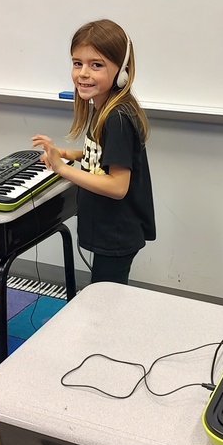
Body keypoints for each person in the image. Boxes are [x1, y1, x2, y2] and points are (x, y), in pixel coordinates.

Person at [31, 18, 155, 284]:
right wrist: (69, 153)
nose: (83, 73)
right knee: (104, 297)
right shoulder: (103, 107)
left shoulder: (117, 118)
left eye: (96, 65)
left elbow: (118, 186)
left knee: (105, 302)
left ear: (122, 71)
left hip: (116, 232)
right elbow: (103, 156)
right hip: (110, 229)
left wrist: (62, 169)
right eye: (78, 63)